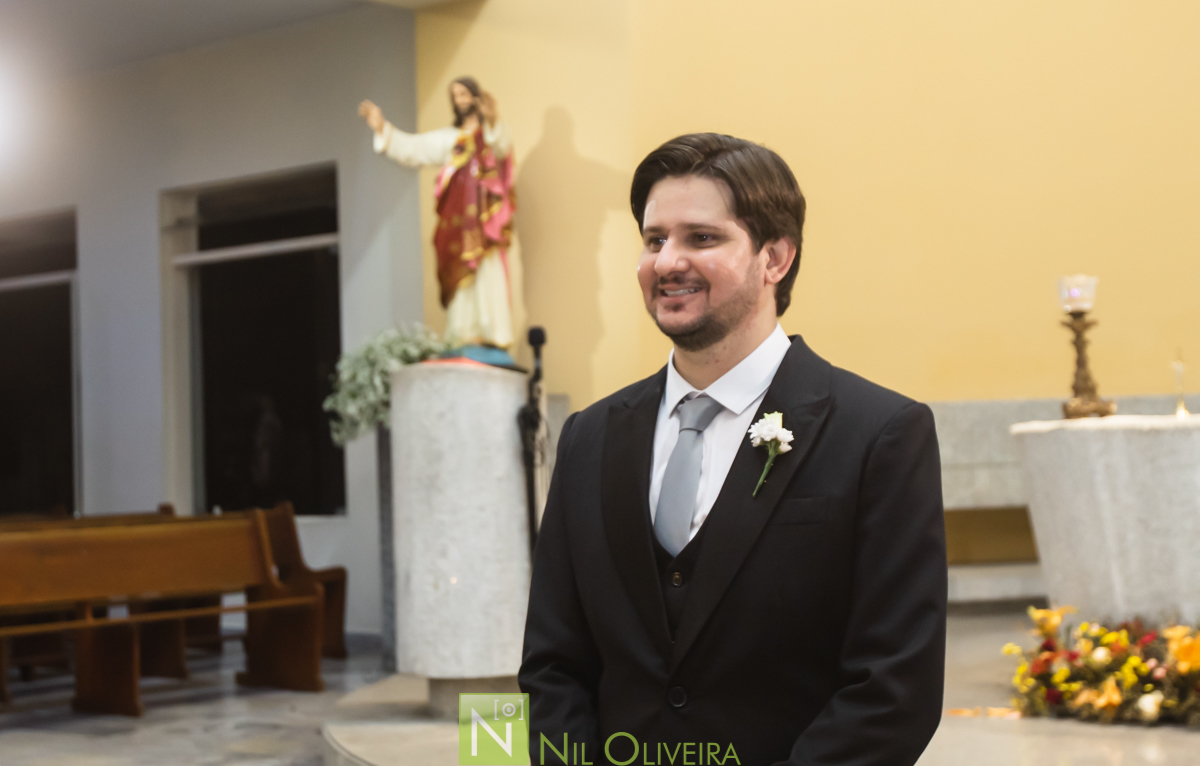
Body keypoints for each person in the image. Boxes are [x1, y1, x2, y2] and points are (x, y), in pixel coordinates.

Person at [520, 133, 946, 766]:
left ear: (775, 259)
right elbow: (550, 665)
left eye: (701, 238)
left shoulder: (880, 433)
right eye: (654, 240)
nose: (667, 262)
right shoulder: (589, 435)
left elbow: (894, 690)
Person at [358, 77, 516, 356]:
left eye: (464, 93)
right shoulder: (449, 139)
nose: (460, 100)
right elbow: (415, 148)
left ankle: (491, 332)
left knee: (486, 271)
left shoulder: (490, 135)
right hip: (459, 223)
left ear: (476, 96)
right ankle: (462, 334)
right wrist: (383, 128)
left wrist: (492, 119)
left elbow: (502, 148)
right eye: (455, 95)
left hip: (484, 222)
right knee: (460, 276)